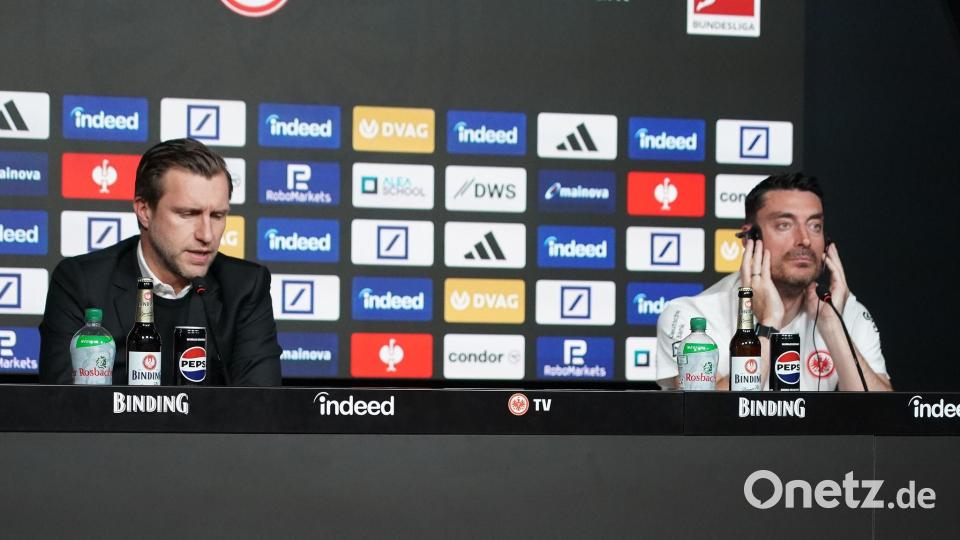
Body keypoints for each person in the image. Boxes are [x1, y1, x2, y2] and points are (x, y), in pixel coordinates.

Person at [40, 138, 282, 385]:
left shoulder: (244, 287)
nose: (206, 235)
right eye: (188, 214)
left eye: (217, 216)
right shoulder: (82, 283)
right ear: (144, 211)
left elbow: (260, 408)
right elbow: (64, 407)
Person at [656, 173, 891, 391]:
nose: (805, 240)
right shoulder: (691, 316)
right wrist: (768, 326)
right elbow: (702, 417)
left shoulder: (844, 312)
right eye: (784, 225)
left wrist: (832, 325)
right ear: (750, 239)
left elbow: (884, 418)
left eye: (815, 226)